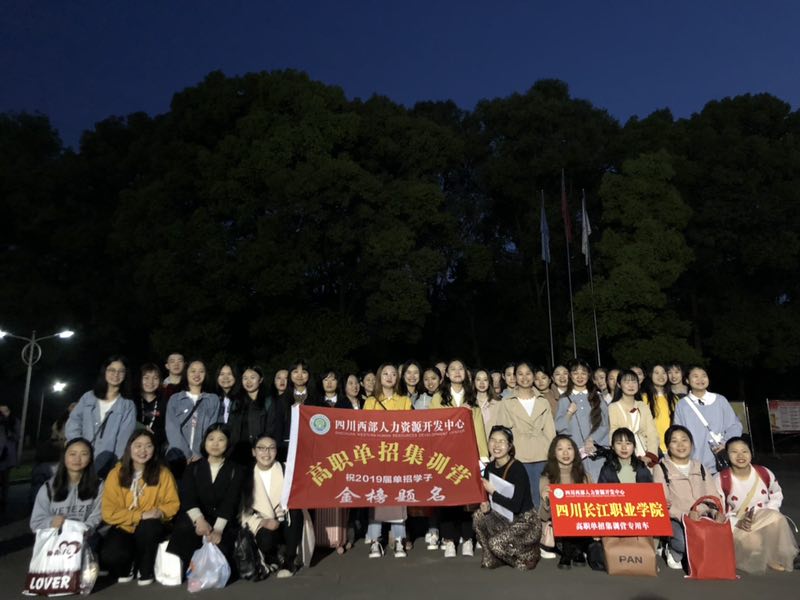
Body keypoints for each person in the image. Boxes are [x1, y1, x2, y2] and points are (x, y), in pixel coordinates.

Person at [101, 430, 180, 585]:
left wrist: (160, 512)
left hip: (150, 526)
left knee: (149, 527)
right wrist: (140, 515)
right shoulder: (116, 473)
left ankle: (146, 568)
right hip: (124, 525)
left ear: (154, 449)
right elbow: (108, 512)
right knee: (110, 555)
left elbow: (173, 503)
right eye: (138, 446)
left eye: (148, 446)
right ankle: (129, 564)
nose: (143, 451)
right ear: (129, 447)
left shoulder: (163, 473)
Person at [167, 424, 245, 577]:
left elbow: (231, 501)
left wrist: (218, 529)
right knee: (185, 529)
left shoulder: (236, 470)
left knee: (221, 552)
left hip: (223, 521)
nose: (215, 444)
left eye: (221, 440)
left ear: (228, 443)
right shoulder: (193, 468)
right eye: (211, 439)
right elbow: (188, 497)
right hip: (197, 518)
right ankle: (181, 569)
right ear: (204, 442)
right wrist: (199, 520)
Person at [431, 359, 489, 558]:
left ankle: (468, 538)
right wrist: (456, 412)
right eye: (453, 369)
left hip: (468, 454)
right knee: (448, 499)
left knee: (468, 499)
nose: (457, 372)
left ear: (466, 373)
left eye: (461, 369)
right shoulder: (438, 397)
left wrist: (483, 456)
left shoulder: (472, 397)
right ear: (446, 374)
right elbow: (434, 424)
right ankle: (449, 540)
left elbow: (479, 427)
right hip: (445, 456)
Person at [716, 437, 799, 574]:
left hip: (763, 517)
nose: (740, 456)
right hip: (739, 524)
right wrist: (738, 522)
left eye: (744, 451)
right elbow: (718, 510)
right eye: (734, 452)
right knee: (753, 543)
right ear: (727, 455)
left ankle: (772, 556)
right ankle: (757, 554)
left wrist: (769, 510)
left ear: (751, 453)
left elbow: (776, 493)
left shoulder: (764, 473)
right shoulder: (721, 479)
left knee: (776, 518)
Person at [652, 425, 721, 570]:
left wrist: (715, 512)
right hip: (676, 519)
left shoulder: (701, 467)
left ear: (691, 443)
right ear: (668, 446)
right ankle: (672, 549)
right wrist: (686, 515)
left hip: (703, 516)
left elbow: (713, 496)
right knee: (684, 543)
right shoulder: (661, 469)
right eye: (674, 441)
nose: (680, 445)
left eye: (684, 440)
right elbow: (663, 503)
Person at [473, 426, 541, 570]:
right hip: (503, 516)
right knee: (478, 516)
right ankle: (492, 556)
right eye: (493, 440)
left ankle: (526, 556)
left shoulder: (517, 468)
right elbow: (488, 499)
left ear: (509, 446)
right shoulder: (490, 467)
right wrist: (485, 505)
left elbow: (516, 506)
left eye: (501, 441)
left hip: (524, 521)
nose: (496, 445)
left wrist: (494, 492)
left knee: (496, 544)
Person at [363, 364, 411, 558]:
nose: (389, 377)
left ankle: (399, 539)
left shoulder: (405, 401)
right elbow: (364, 430)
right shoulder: (370, 402)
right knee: (377, 497)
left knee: (398, 497)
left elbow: (410, 428)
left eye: (393, 374)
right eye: (385, 373)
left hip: (398, 456)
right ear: (379, 377)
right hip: (377, 456)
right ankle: (375, 540)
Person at [240, 435, 304, 578]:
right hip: (263, 523)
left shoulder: (287, 469)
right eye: (261, 448)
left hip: (285, 521)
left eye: (271, 448)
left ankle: (290, 560)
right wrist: (262, 521)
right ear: (253, 452)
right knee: (266, 538)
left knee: (295, 512)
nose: (266, 453)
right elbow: (242, 511)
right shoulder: (246, 474)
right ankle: (271, 557)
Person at [495, 361, 556, 509]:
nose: (524, 377)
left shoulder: (542, 401)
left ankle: (542, 524)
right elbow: (501, 433)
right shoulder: (506, 402)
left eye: (528, 373)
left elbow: (550, 431)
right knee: (520, 498)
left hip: (542, 454)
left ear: (534, 376)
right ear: (515, 377)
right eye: (520, 374)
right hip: (518, 454)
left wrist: (553, 455)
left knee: (542, 497)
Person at [66, 356, 137, 477]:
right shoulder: (88, 397)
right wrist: (78, 448)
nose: (116, 374)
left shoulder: (127, 405)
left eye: (121, 371)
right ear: (104, 372)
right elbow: (74, 422)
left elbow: (124, 440)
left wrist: (115, 466)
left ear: (125, 375)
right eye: (112, 370)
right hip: (79, 460)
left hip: (107, 465)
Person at [30, 438, 103, 550]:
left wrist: (82, 529)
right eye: (72, 454)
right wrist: (51, 522)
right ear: (64, 457)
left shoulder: (99, 486)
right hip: (54, 546)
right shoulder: (48, 488)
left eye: (84, 454)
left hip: (86, 544)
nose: (77, 459)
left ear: (90, 458)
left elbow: (98, 516)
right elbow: (36, 523)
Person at [673, 366, 742, 475]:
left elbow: (734, 425)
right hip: (694, 465)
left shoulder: (720, 400)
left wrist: (726, 443)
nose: (700, 379)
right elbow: (678, 433)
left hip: (720, 461)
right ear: (687, 380)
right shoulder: (682, 405)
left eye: (704, 376)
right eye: (695, 376)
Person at [539, 435, 591, 568]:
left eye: (569, 448)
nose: (566, 453)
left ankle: (574, 551)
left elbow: (592, 508)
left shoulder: (585, 477)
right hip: (557, 526)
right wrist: (546, 501)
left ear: (575, 452)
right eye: (560, 449)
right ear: (554, 454)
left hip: (580, 525)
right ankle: (572, 551)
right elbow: (543, 516)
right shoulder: (547, 478)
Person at [554, 359, 609, 483]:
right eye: (575, 373)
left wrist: (592, 439)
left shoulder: (598, 397)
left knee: (599, 486)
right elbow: (559, 427)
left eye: (583, 373)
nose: (580, 377)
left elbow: (606, 424)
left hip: (595, 452)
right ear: (570, 375)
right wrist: (569, 413)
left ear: (589, 375)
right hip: (575, 454)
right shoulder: (564, 399)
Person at [164, 359, 221, 478]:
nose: (197, 374)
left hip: (202, 458)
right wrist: (186, 454)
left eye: (201, 371)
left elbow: (212, 430)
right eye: (193, 371)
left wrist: (200, 453)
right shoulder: (175, 399)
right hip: (177, 458)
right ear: (186, 373)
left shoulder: (212, 400)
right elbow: (172, 428)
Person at [230, 366, 282, 466]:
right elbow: (231, 426)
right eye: (245, 378)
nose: (248, 381)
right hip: (237, 453)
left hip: (260, 453)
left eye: (252, 377)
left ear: (260, 380)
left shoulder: (268, 401)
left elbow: (271, 429)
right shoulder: (237, 401)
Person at [608, 369, 659, 467]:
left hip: (645, 453)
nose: (631, 385)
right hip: (624, 454)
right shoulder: (613, 407)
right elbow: (613, 432)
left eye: (634, 382)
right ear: (619, 384)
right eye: (627, 382)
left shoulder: (643, 406)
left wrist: (650, 455)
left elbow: (652, 432)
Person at [642, 364, 678, 453]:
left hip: (672, 448)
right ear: (650, 375)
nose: (661, 376)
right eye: (657, 373)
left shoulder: (675, 399)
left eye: (664, 373)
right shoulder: (643, 399)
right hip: (651, 449)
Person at [136, 363, 167, 454]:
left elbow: (167, 428)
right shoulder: (132, 400)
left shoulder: (165, 402)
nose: (150, 382)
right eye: (146, 378)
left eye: (155, 378)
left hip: (156, 447)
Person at [0, 404, 20, 509]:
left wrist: (10, 433)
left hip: (7, 454)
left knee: (5, 479)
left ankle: (4, 499)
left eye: (5, 411)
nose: (3, 414)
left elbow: (17, 437)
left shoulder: (14, 421)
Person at [474, 369, 501, 434]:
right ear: (474, 382)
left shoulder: (499, 403)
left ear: (489, 383)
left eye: (485, 380)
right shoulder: (468, 404)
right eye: (478, 379)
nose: (482, 383)